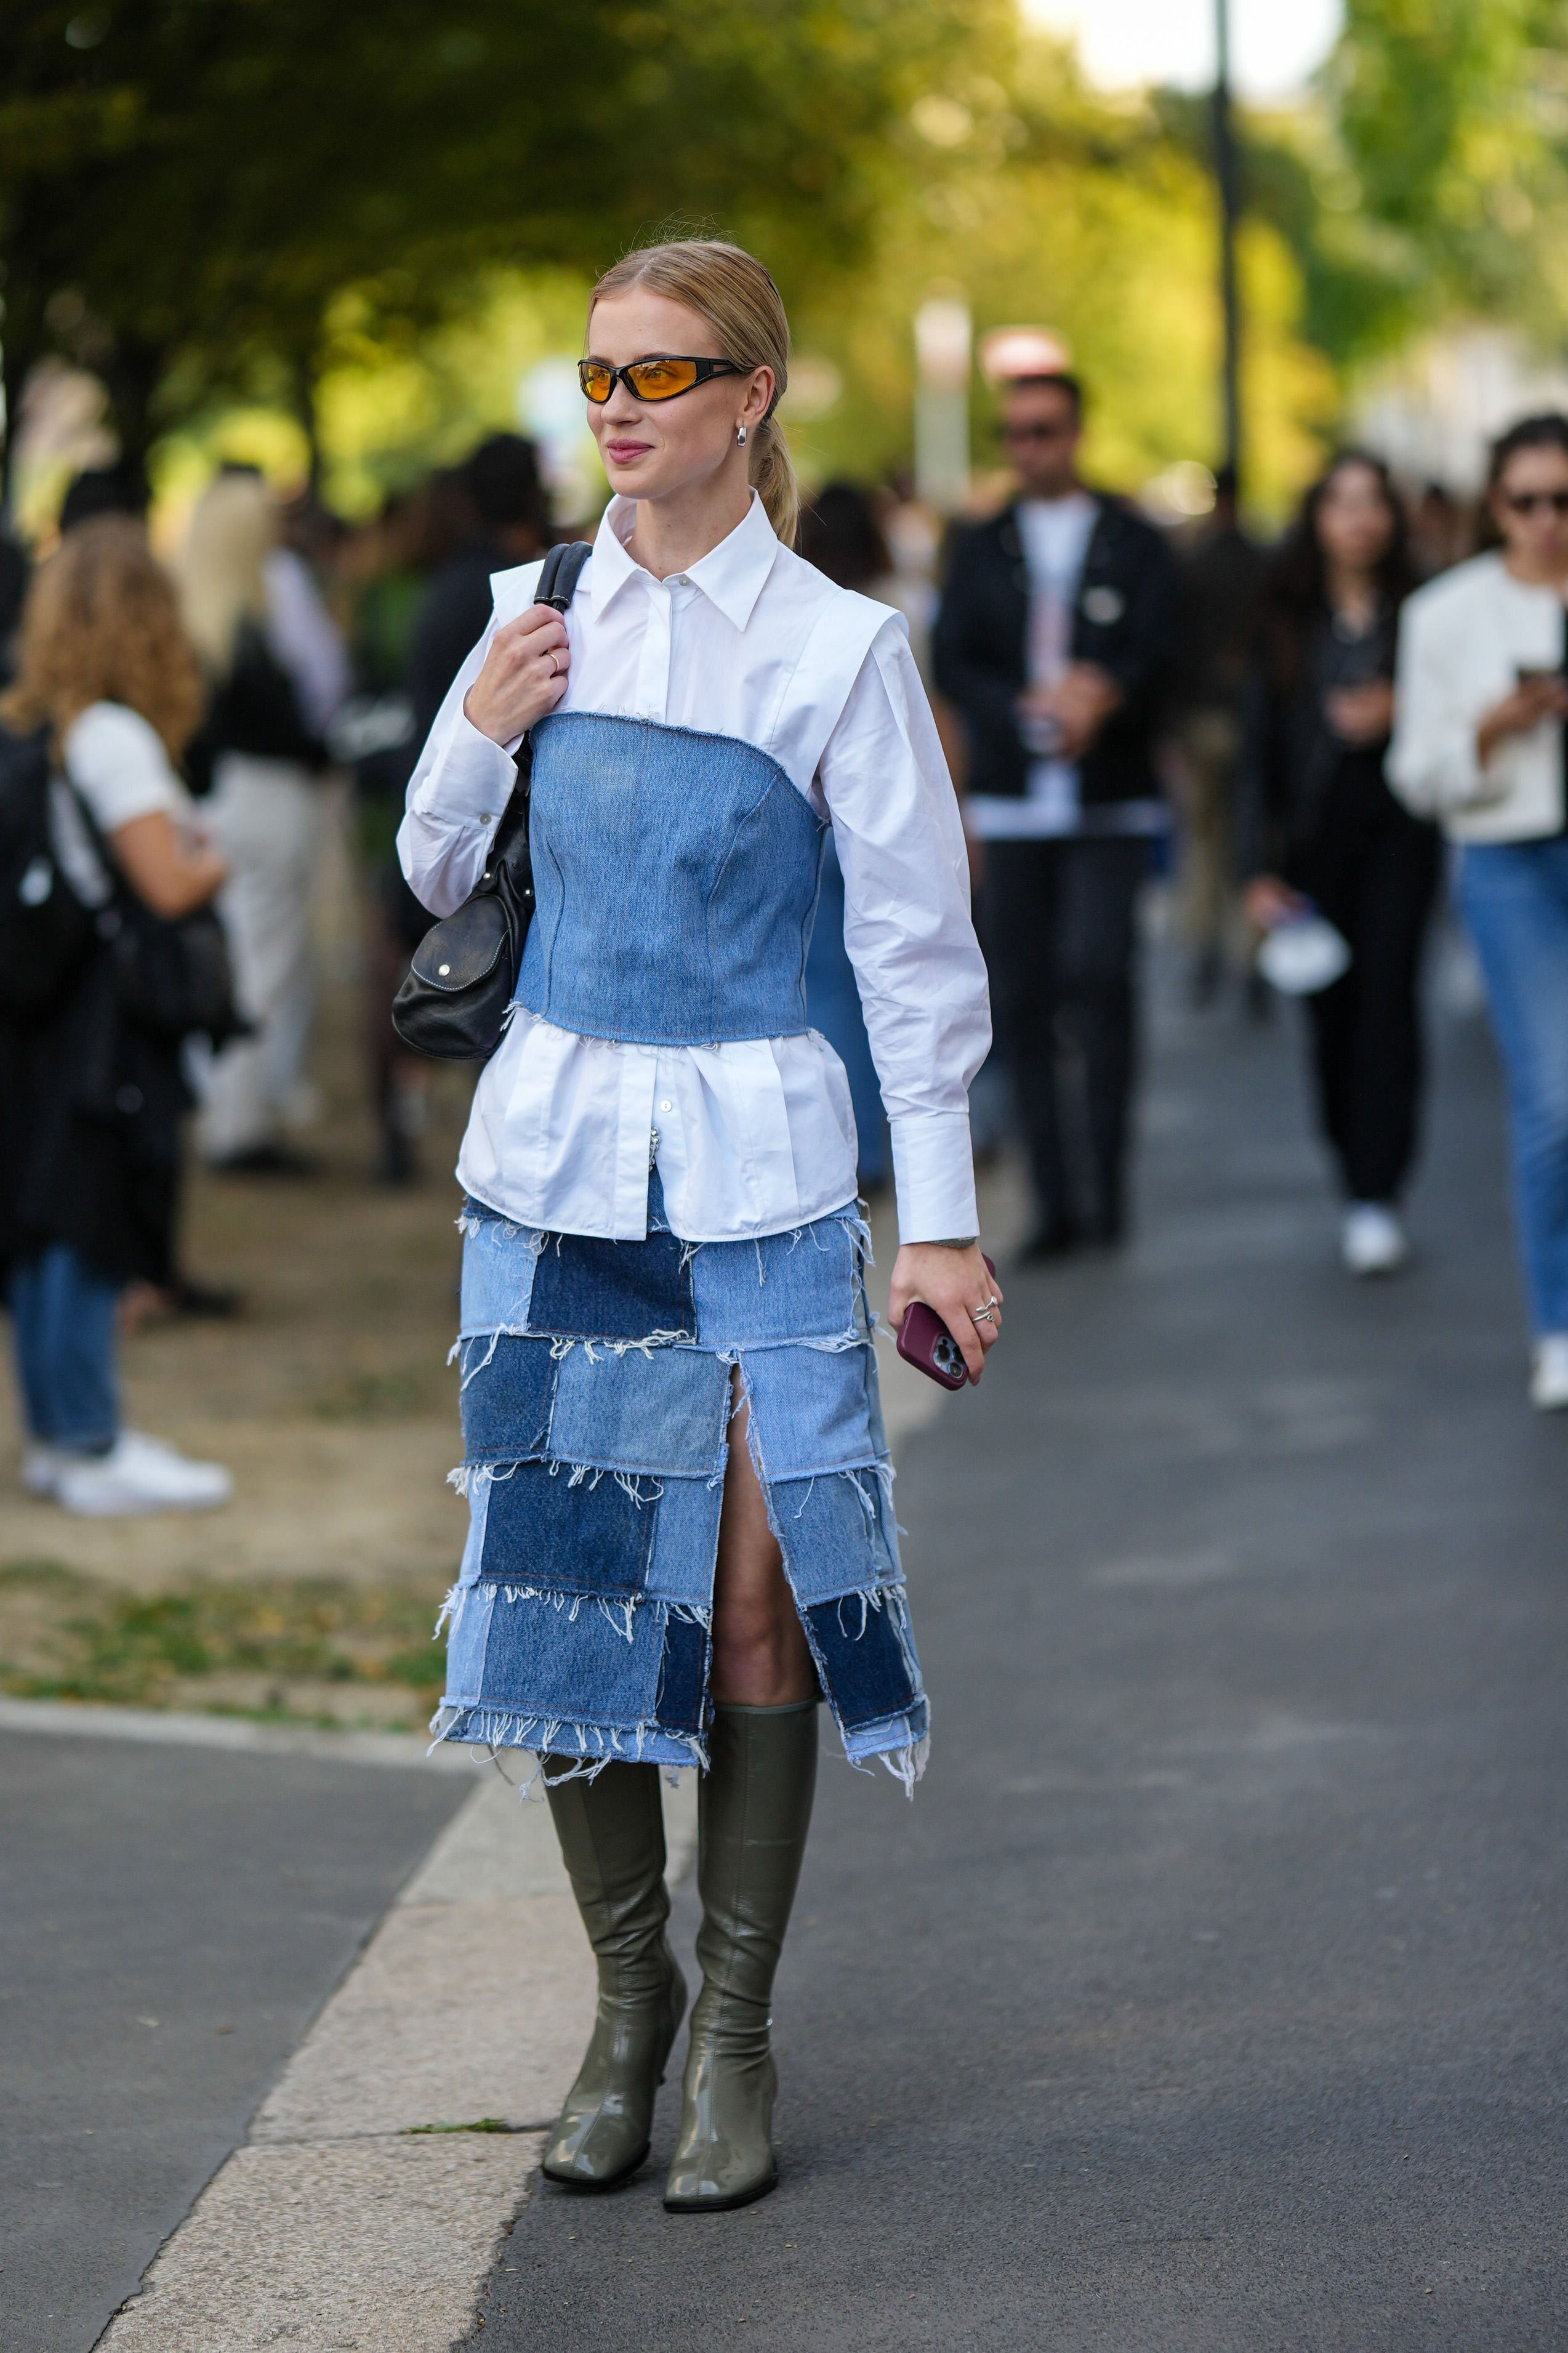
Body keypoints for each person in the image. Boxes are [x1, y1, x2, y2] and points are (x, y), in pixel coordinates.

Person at [399, 238, 996, 2211]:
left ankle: (735, 2033)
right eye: (595, 377)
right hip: (557, 1158)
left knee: (751, 1598)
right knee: (574, 1587)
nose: (620, 411)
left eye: (662, 375)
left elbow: (914, 956)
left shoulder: (838, 648)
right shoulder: (528, 607)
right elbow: (434, 872)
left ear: (753, 397)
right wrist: (482, 722)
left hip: (758, 1166)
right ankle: (628, 2005)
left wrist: (945, 1225)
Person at [0, 519, 233, 1512]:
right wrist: (211, 852)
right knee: (85, 1217)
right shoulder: (116, 736)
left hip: (38, 1008)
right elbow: (168, 884)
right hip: (99, 1015)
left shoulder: (41, 721)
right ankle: (89, 1439)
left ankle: (60, 1436)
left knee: (43, 1216)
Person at [933, 368, 1175, 1259]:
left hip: (1107, 798)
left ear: (1075, 432)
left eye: (1044, 430)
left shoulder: (1130, 538)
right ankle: (1054, 1197)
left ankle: (1107, 1184)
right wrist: (1020, 707)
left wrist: (1100, 695)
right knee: (1022, 997)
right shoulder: (981, 541)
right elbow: (953, 656)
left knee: (1101, 975)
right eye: (1015, 433)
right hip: (1012, 799)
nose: (1029, 447)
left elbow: (1164, 646)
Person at [1388, 412, 1568, 1409]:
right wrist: (1493, 729)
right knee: (1552, 1099)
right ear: (1494, 505)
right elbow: (1415, 775)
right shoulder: (1447, 615)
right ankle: (1557, 1321)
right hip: (1508, 863)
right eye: (1524, 501)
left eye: (1562, 500)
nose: (1545, 521)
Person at [1242, 453, 1441, 1276]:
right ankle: (1351, 1173)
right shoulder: (1284, 619)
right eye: (1339, 503)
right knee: (1328, 1013)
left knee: (1388, 1002)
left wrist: (1405, 707)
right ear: (1314, 517)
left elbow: (1459, 712)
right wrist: (1258, 864)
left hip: (1400, 833)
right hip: (1311, 845)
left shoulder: (1421, 614)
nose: (1358, 519)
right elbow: (1258, 748)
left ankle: (1376, 1190)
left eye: (1372, 502)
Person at [372, 437, 551, 1182]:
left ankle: (399, 1139)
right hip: (488, 832)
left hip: (439, 805)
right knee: (474, 1002)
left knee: (412, 980)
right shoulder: (516, 594)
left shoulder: (447, 584)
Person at [174, 470, 346, 1173]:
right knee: (263, 966)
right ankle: (238, 1124)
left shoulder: (202, 617)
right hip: (266, 798)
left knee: (244, 959)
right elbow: (293, 727)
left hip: (223, 800)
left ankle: (233, 1111)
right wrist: (323, 748)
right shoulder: (246, 628)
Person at [796, 482, 901, 1191]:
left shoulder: (803, 610)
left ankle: (848, 1149)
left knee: (829, 983)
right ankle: (881, 1146)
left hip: (815, 809)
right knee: (892, 982)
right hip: (888, 809)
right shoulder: (899, 612)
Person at [1171, 465, 1266, 1005]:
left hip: (1202, 717)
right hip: (1245, 718)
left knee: (1205, 839)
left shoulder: (1195, 562)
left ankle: (1208, 948)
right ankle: (1247, 954)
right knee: (1247, 837)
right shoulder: (1260, 560)